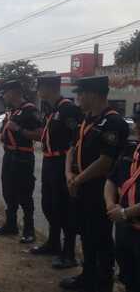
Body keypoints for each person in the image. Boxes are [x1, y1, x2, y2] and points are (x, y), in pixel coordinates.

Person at [60, 75, 129, 292]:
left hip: (99, 187)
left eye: (81, 93)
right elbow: (71, 147)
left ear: (94, 94)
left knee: (100, 236)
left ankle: (102, 281)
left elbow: (106, 161)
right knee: (86, 232)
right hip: (80, 184)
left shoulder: (113, 122)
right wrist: (69, 173)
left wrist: (77, 180)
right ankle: (87, 275)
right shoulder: (85, 119)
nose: (78, 97)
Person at [30, 75, 82, 269]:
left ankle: (69, 253)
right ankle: (53, 243)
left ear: (49, 88)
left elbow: (75, 140)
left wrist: (71, 169)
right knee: (49, 204)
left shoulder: (68, 109)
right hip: (50, 160)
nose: (38, 92)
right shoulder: (52, 110)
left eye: (40, 88)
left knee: (65, 207)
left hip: (62, 162)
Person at [0, 80, 43, 244]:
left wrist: (18, 130)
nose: (4, 96)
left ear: (14, 92)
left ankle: (29, 231)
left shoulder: (30, 110)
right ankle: (11, 224)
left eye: (5, 92)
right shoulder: (12, 111)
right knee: (8, 191)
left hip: (23, 157)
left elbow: (40, 135)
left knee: (24, 194)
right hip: (9, 155)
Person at [104, 113, 140, 292]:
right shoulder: (130, 150)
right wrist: (111, 204)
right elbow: (111, 180)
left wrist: (125, 213)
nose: (136, 128)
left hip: (131, 223)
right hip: (124, 228)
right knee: (128, 276)